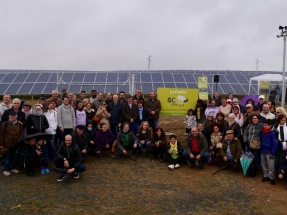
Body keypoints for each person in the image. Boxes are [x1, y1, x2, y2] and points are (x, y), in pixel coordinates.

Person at [0, 111, 23, 176]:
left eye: (14, 115)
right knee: (7, 157)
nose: (13, 117)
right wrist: (1, 144)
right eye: (11, 115)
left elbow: (21, 134)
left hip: (15, 144)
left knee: (13, 156)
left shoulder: (19, 124)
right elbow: (1, 134)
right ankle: (6, 169)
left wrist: (19, 141)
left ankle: (13, 168)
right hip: (7, 144)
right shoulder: (5, 124)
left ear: (16, 116)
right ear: (9, 116)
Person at [243, 114, 264, 178]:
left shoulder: (261, 125)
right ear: (251, 119)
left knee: (256, 159)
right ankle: (249, 170)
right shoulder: (249, 125)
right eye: (253, 118)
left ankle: (255, 170)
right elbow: (245, 134)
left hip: (257, 145)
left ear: (258, 119)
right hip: (249, 144)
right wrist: (245, 140)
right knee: (248, 158)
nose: (254, 120)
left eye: (256, 118)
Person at [261, 119, 278, 185]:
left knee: (271, 165)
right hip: (262, 150)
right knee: (264, 164)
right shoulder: (262, 132)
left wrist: (273, 152)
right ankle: (266, 175)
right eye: (264, 125)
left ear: (270, 125)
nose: (265, 126)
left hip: (270, 151)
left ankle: (271, 177)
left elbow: (275, 143)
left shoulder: (273, 133)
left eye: (266, 125)